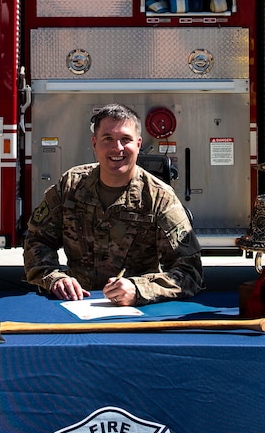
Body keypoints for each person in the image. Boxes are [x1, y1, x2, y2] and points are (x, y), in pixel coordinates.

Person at [23, 103, 203, 306]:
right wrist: (55, 278)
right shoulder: (71, 186)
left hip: (135, 312)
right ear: (94, 143)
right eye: (108, 139)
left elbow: (190, 271)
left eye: (126, 139)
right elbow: (37, 240)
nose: (117, 148)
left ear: (138, 144)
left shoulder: (159, 198)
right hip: (75, 306)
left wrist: (139, 289)